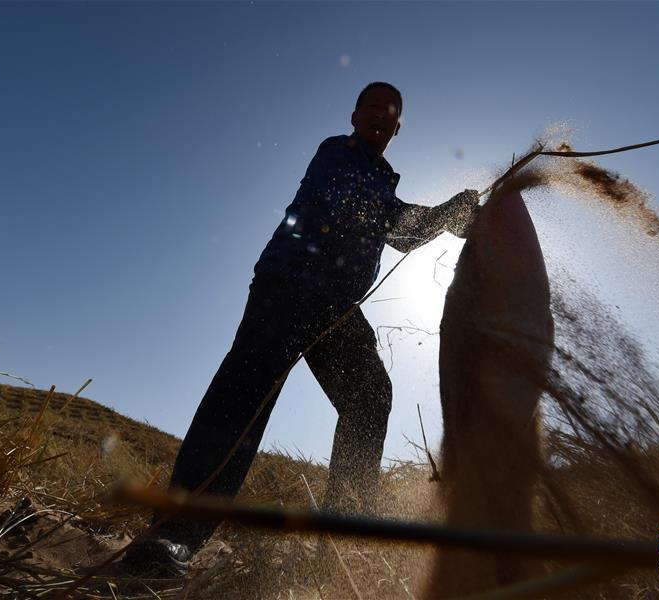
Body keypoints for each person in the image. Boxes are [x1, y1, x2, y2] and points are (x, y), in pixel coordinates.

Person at [123, 82, 480, 575]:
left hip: (336, 307)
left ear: (397, 128)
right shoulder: (335, 153)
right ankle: (173, 533)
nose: (380, 115)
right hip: (288, 287)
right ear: (354, 117)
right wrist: (440, 216)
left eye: (390, 112)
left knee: (369, 397)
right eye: (372, 107)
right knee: (244, 396)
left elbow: (402, 231)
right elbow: (358, 207)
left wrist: (450, 216)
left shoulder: (386, 181)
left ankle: (340, 545)